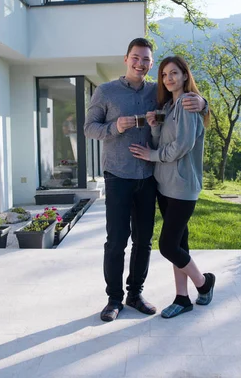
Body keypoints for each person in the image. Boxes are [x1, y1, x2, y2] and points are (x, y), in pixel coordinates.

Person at [84, 38, 206, 322]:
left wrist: (204, 102)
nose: (140, 63)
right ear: (126, 59)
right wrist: (115, 126)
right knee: (116, 241)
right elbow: (89, 128)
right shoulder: (105, 91)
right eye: (135, 58)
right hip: (118, 175)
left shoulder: (158, 91)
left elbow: (185, 105)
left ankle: (135, 294)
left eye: (146, 60)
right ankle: (114, 299)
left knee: (144, 241)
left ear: (152, 64)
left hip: (149, 178)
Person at [129, 55, 215, 318]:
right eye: (165, 74)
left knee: (168, 246)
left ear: (185, 76)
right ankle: (182, 298)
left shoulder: (189, 105)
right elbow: (162, 140)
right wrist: (154, 128)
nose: (169, 78)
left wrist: (151, 156)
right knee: (180, 244)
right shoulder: (169, 106)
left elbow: (182, 147)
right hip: (164, 186)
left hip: (183, 188)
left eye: (174, 73)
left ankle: (203, 282)